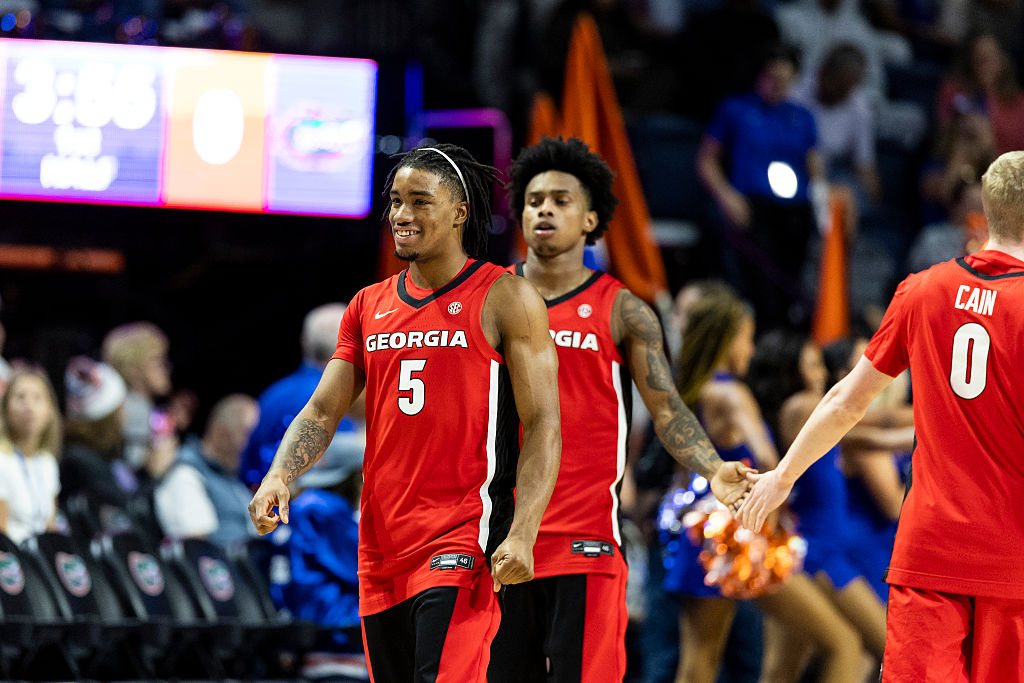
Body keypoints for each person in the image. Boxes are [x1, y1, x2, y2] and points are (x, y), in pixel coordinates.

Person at [248, 143, 564, 683]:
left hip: (461, 538)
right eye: (395, 201)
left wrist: (525, 531)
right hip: (380, 545)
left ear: (460, 212)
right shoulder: (368, 305)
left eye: (420, 201)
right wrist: (280, 473)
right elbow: (322, 411)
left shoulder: (506, 297)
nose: (401, 214)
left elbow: (543, 425)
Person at [739, 150, 1024, 681]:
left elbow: (846, 400)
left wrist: (783, 476)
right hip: (1012, 558)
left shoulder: (921, 289)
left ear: (983, 213)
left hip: (929, 551)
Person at [491, 137, 753, 682]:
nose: (544, 209)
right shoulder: (487, 301)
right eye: (534, 200)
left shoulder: (623, 310)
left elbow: (668, 409)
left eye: (561, 200)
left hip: (584, 537)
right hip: (497, 537)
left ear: (590, 219)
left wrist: (713, 467)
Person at [696, 45, 826, 330]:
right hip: (750, 207)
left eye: (784, 79)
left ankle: (786, 330)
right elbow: (706, 160)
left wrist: (824, 202)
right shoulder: (736, 109)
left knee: (791, 282)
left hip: (794, 211)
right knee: (756, 283)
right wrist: (728, 197)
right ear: (761, 74)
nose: (776, 85)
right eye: (771, 77)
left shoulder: (802, 117)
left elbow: (815, 168)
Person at [239, 302, 364, 490]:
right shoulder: (343, 399)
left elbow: (248, 464)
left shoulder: (272, 395)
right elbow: (350, 464)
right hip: (319, 510)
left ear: (304, 343)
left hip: (265, 509)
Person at [155, 394, 262, 546]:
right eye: (247, 436)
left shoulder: (231, 478)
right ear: (222, 433)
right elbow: (197, 550)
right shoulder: (185, 474)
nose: (252, 447)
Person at [0, 368, 62, 543]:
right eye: (20, 397)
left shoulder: (47, 462)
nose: (29, 406)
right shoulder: (2, 461)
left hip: (41, 559)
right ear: (5, 408)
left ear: (50, 409)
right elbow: (1, 536)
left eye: (37, 398)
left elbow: (50, 526)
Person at [101, 321, 173, 471]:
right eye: (158, 361)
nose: (167, 368)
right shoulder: (135, 408)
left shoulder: (132, 405)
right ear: (134, 369)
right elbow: (134, 466)